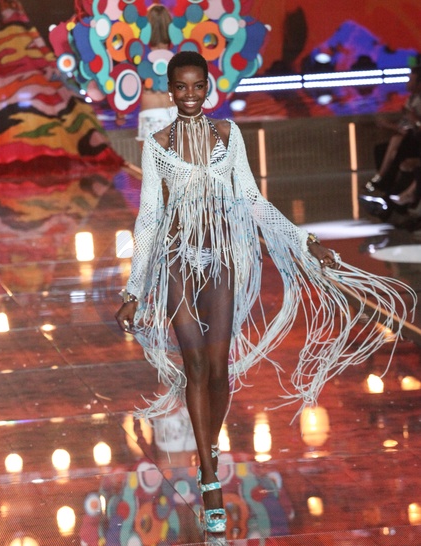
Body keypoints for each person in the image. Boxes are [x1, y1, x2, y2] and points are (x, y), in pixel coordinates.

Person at [115, 51, 415, 535]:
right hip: (176, 262)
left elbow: (253, 200)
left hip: (222, 260)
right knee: (195, 366)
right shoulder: (157, 145)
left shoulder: (228, 136)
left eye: (197, 86)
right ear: (170, 91)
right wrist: (134, 288)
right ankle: (209, 476)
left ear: (207, 87)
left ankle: (210, 448)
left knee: (219, 371)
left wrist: (304, 240)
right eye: (181, 87)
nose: (189, 95)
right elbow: (149, 217)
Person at [365, 66, 421, 192]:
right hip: (410, 136)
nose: (407, 83)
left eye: (410, 80)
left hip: (416, 139)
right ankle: (385, 184)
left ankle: (382, 179)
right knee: (381, 149)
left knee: (397, 144)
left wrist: (391, 125)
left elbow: (414, 125)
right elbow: (405, 123)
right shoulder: (412, 99)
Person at [135, 4, 177, 144]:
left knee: (152, 158)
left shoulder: (138, 53)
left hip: (150, 110)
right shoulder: (179, 53)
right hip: (175, 111)